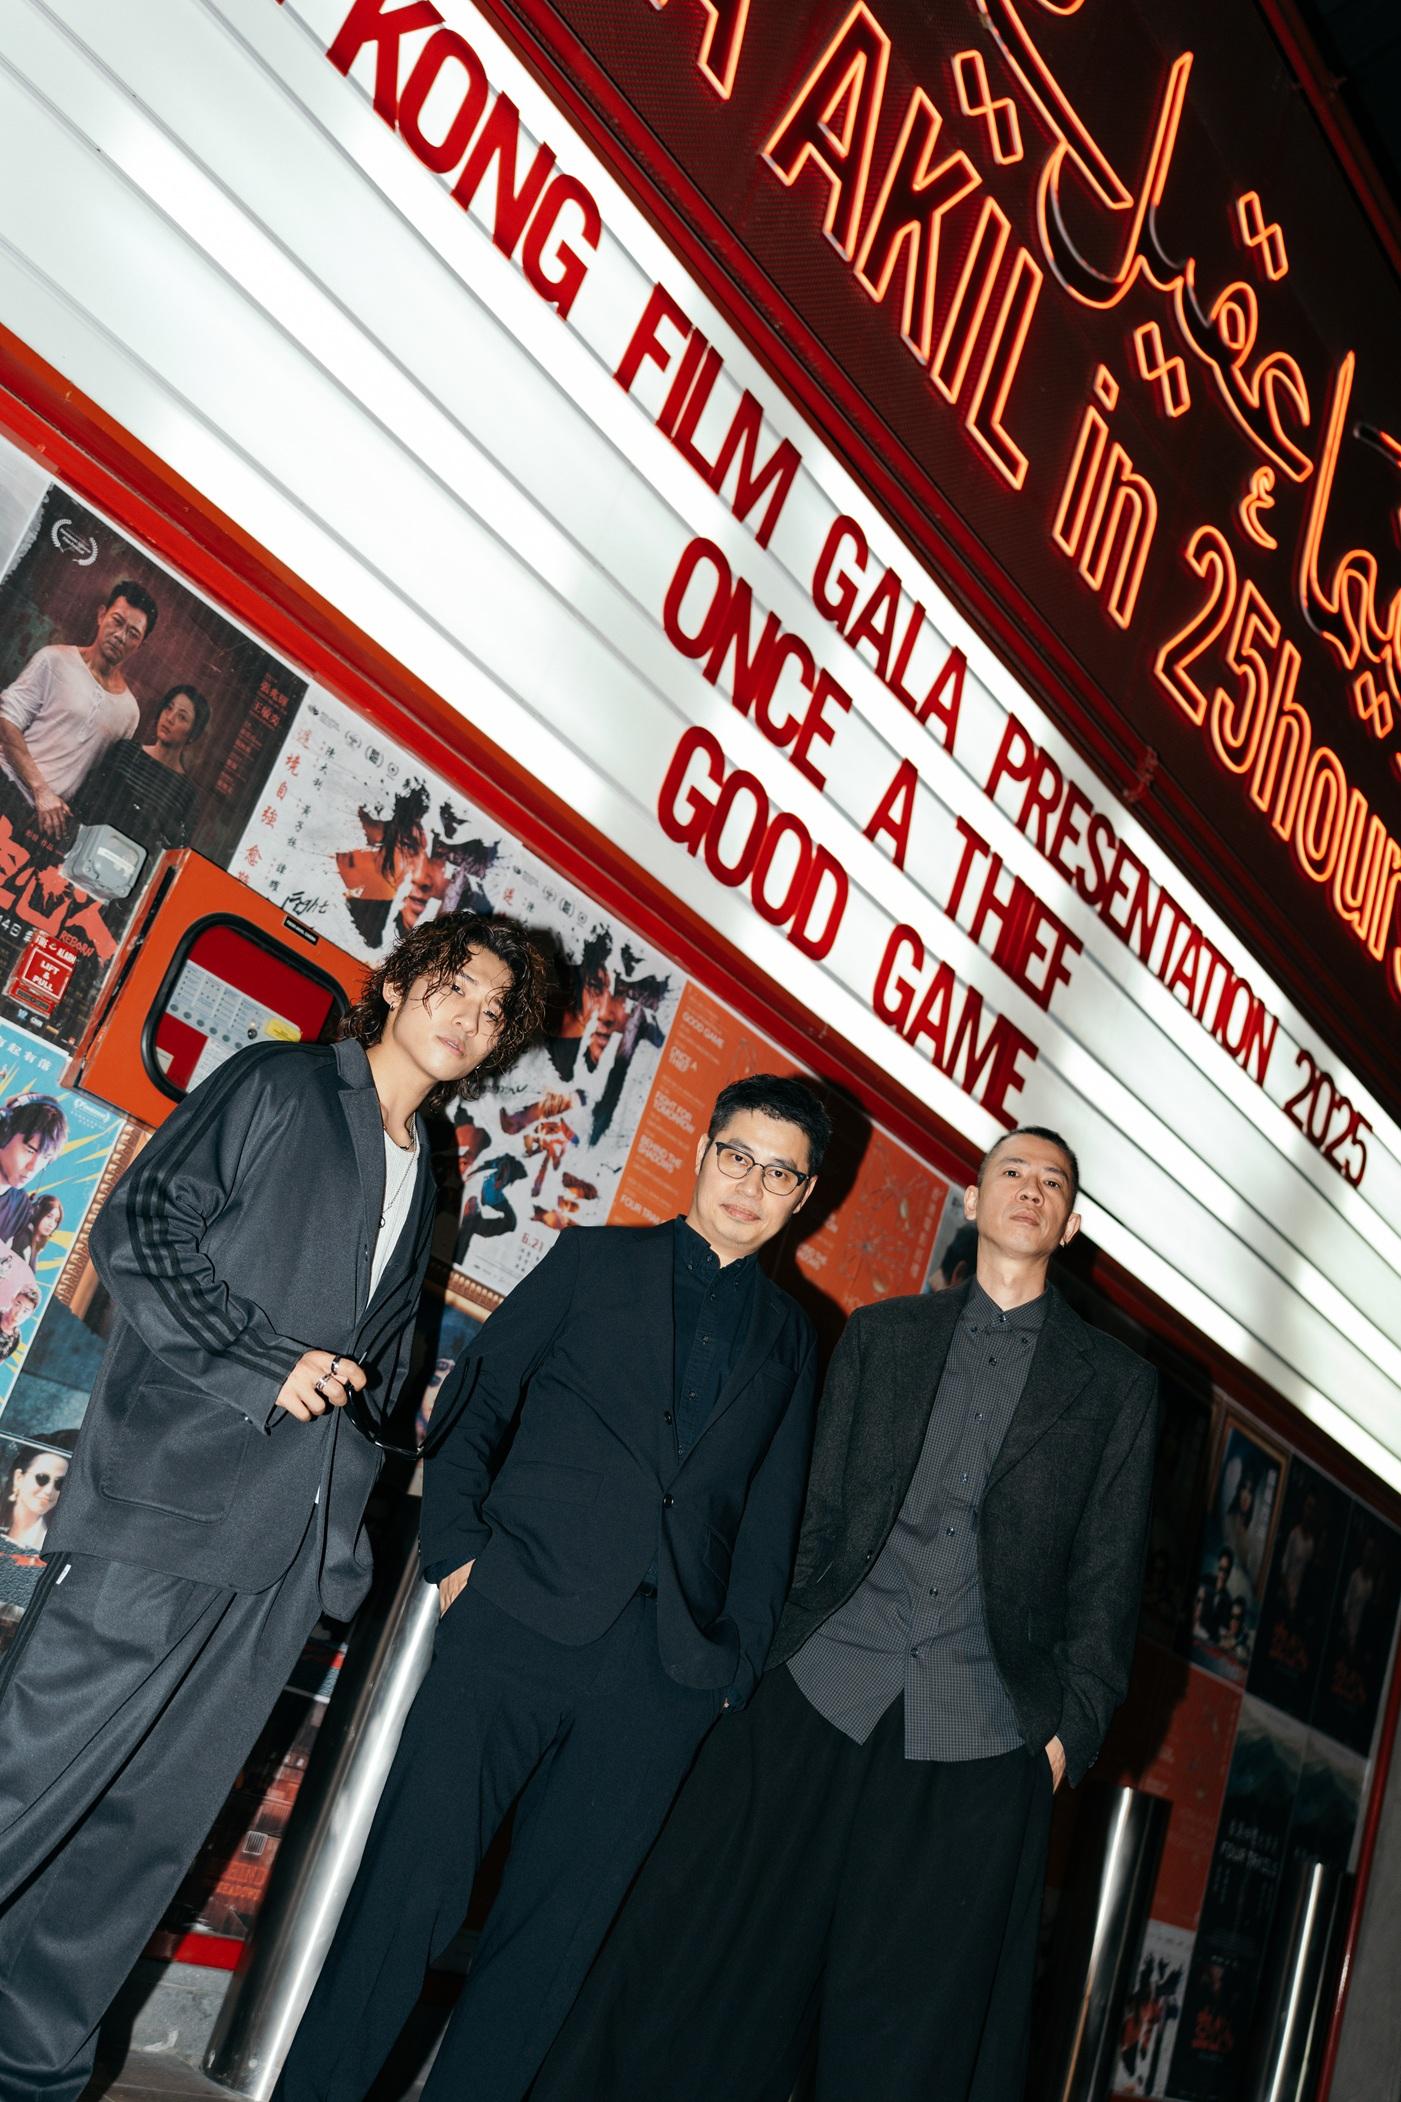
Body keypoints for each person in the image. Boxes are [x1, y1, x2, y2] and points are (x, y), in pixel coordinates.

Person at [0, 910, 545, 2102]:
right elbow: (145, 1226)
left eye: (491, 1009)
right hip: (167, 1500)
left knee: (146, 1829)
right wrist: (260, 1361)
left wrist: (338, 1529)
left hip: (282, 1555)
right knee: (22, 1776)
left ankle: (30, 2065)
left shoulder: (429, 1164)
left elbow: (381, 1369)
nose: (465, 1014)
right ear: (397, 982)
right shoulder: (284, 1082)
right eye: (451, 983)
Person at [533, 1125, 1160, 2102]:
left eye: (1053, 1181)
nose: (1030, 1189)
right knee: (706, 1970)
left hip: (982, 1737)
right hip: (820, 1692)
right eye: (1012, 1172)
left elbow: (1108, 1579)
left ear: (1072, 1221)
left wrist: (1064, 1736)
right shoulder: (881, 1334)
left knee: (908, 2037)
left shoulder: (1118, 1385)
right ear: (973, 1198)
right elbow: (815, 1524)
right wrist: (768, 1658)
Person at [277, 1073, 830, 2102]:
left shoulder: (798, 1338)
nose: (751, 1183)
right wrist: (456, 1561)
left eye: (779, 1171)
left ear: (803, 1195)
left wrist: (732, 1667)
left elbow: (772, 1520)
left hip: (664, 1673)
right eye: (738, 1156)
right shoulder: (594, 1259)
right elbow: (474, 1404)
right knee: (411, 1894)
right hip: (515, 1616)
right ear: (705, 1154)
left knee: (551, 1944)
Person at [0, 579, 157, 840]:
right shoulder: (54, 659)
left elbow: (97, 779)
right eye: (117, 621)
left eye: (133, 633)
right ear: (101, 615)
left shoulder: (130, 712)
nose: (120, 636)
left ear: (141, 645)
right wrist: (41, 790)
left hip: (44, 822)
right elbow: (6, 721)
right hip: (6, 784)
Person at [0, 1094, 67, 1246]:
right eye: (29, 1150)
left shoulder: (21, 1207)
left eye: (45, 1157)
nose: (33, 1167)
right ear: (3, 1134)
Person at [0, 1442, 68, 1549]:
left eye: (59, 1484)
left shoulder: (52, 1546)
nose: (49, 1490)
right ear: (19, 1478)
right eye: (42, 1478)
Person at [141, 683, 210, 775]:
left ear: (193, 733)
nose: (170, 718)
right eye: (169, 708)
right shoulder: (126, 751)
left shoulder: (183, 788)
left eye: (182, 717)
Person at [9, 1192, 62, 1270]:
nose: (51, 1224)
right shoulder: (23, 1237)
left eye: (56, 1220)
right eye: (49, 1216)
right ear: (37, 1212)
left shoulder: (34, 1242)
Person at [0, 1282, 40, 1364]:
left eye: (25, 1311)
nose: (18, 1313)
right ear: (12, 1300)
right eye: (17, 1304)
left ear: (30, 1314)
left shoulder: (15, 1339)